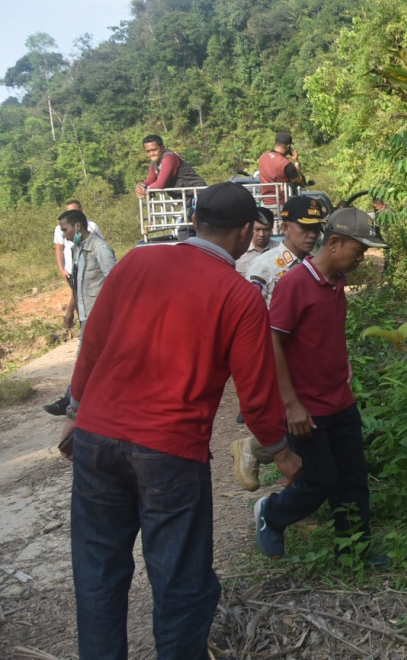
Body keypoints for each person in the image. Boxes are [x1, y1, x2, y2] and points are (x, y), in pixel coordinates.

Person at [60, 181, 302, 660]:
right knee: (181, 582)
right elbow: (255, 396)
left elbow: (94, 346)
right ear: (243, 235)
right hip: (168, 453)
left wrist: (76, 413)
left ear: (195, 221)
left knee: (98, 574)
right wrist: (282, 452)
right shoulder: (238, 295)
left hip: (98, 438)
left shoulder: (135, 262)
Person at [253, 208, 387, 564]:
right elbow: (273, 342)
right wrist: (291, 404)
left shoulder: (336, 284)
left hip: (340, 400)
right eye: (359, 251)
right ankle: (272, 513)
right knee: (319, 479)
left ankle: (354, 552)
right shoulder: (295, 284)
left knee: (353, 478)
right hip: (307, 407)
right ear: (335, 243)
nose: (362, 258)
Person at [232, 195, 326, 491]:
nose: (312, 235)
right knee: (291, 422)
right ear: (285, 227)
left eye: (316, 228)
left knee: (306, 426)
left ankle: (296, 497)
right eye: (304, 228)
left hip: (308, 356)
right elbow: (250, 319)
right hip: (276, 354)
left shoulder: (316, 262)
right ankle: (254, 449)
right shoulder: (266, 267)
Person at [43, 208, 116, 417]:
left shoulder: (100, 249)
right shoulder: (77, 250)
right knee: (95, 360)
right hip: (85, 314)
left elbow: (114, 284)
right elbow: (77, 285)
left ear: (78, 226)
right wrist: (70, 310)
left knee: (84, 359)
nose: (63, 234)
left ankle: (71, 401)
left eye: (65, 229)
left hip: (99, 316)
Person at [52, 199, 101, 330]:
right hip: (71, 269)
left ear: (81, 210)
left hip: (89, 268)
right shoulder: (61, 229)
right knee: (79, 296)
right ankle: (84, 328)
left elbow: (100, 247)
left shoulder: (91, 226)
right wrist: (61, 268)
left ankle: (80, 323)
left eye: (74, 211)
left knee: (85, 297)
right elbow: (59, 248)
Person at [134, 134, 207, 196]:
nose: (151, 154)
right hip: (185, 196)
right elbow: (151, 179)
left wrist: (146, 190)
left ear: (162, 148)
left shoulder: (169, 158)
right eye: (148, 151)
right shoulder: (154, 161)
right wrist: (141, 186)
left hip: (197, 193)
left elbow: (160, 184)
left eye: (154, 150)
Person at [257, 130, 305, 206]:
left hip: (265, 202)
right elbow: (299, 181)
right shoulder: (285, 163)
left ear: (275, 142)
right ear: (288, 146)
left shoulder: (262, 158)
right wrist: (296, 162)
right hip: (281, 204)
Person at [235, 207, 275, 277]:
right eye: (257, 229)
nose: (261, 234)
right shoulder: (238, 252)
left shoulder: (279, 250)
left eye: (266, 230)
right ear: (249, 228)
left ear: (272, 228)